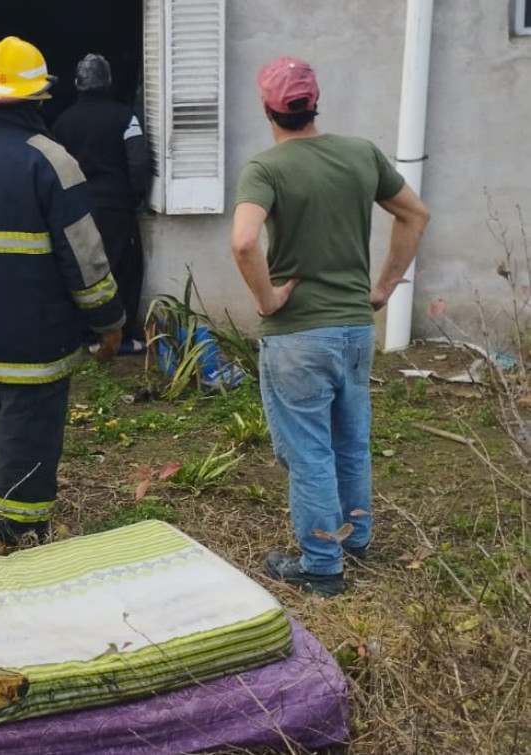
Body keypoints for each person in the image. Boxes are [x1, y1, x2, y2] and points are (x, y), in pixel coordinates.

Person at [231, 57, 430, 596]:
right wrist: (384, 288)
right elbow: (415, 213)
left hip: (298, 337)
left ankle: (322, 564)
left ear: (267, 108)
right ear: (314, 103)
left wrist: (268, 298)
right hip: (355, 330)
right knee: (351, 442)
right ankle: (355, 538)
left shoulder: (266, 168)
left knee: (310, 452)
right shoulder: (361, 154)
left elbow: (245, 240)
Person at [0, 37, 125, 545]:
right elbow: (85, 256)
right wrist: (109, 320)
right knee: (28, 425)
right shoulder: (52, 161)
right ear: (37, 98)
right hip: (38, 336)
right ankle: (19, 526)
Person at [53, 53, 152, 355]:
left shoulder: (61, 123)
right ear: (108, 82)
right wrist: (134, 197)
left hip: (76, 209)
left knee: (80, 271)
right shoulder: (125, 117)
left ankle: (85, 335)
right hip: (115, 209)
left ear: (76, 84)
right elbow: (138, 161)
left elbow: (55, 167)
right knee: (123, 269)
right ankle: (118, 338)